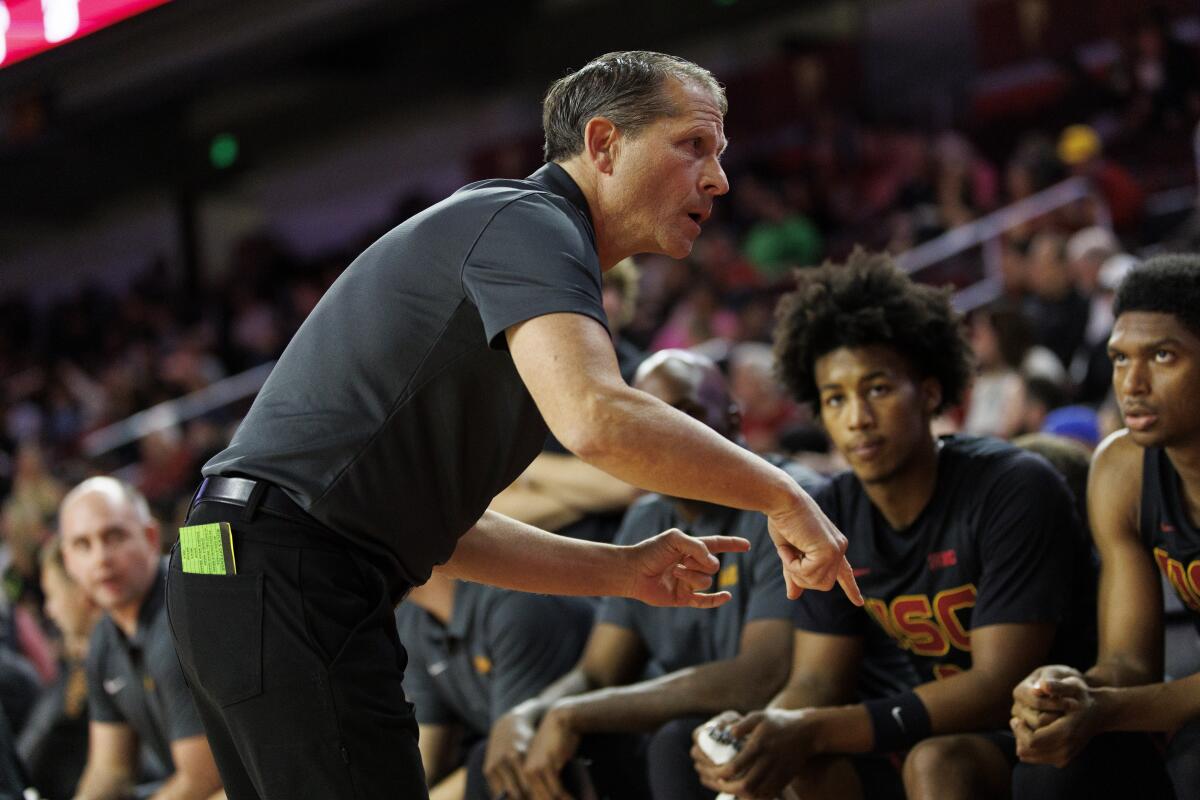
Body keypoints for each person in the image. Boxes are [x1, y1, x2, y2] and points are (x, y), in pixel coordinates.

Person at [166, 50, 861, 798]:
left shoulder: (517, 249)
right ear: (603, 144)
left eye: (719, 154)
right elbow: (598, 419)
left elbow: (441, 529)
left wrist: (620, 572)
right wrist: (783, 493)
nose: (719, 178)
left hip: (232, 564)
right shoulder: (531, 222)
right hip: (286, 570)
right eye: (694, 145)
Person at [693, 251, 1094, 800]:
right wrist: (758, 733)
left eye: (877, 389)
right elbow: (816, 681)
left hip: (1045, 731)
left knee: (935, 765)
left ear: (929, 392)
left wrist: (810, 728)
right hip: (920, 728)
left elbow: (998, 686)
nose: (855, 418)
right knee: (793, 772)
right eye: (835, 399)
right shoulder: (828, 509)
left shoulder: (1013, 486)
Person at [478, 349, 825, 800]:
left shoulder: (789, 502)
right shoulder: (646, 519)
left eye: (687, 414)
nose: (669, 435)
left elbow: (761, 675)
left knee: (675, 741)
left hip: (785, 729)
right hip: (690, 735)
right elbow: (599, 671)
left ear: (734, 418)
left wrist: (572, 712)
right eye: (652, 419)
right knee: (506, 756)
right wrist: (527, 712)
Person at [1011, 254, 1200, 799]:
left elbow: (1127, 698)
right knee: (1053, 764)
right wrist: (1063, 692)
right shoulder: (1121, 469)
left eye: (1163, 356)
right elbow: (1130, 662)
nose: (1132, 383)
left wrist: (1107, 707)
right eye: (1119, 359)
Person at [60, 477, 223, 800]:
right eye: (83, 544)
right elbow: (110, 770)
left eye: (114, 536)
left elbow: (204, 780)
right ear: (68, 560)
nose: (101, 558)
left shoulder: (184, 612)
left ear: (150, 537)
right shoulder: (105, 639)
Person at [396, 572, 593, 799]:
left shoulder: (516, 601)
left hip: (591, 760)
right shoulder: (412, 621)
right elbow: (427, 761)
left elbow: (509, 757)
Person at [17, 537, 101, 799]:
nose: (49, 611)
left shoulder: (107, 665)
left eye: (52, 595)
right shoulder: (78, 668)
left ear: (80, 590)